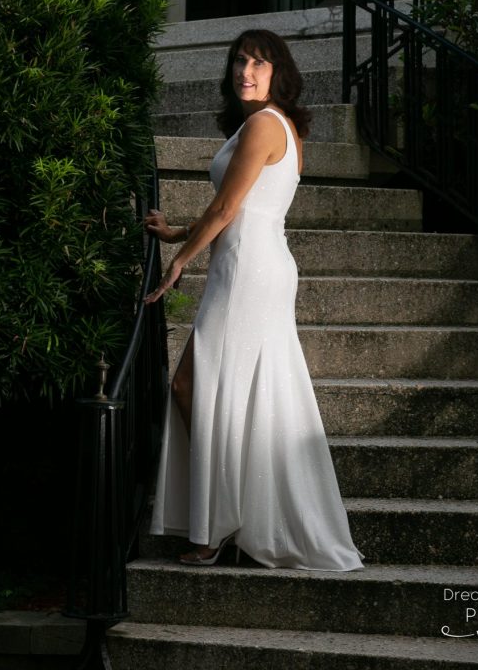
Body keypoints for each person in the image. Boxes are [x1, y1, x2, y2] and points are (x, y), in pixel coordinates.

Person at [144, 29, 363, 572]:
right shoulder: (268, 125)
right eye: (240, 60)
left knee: (193, 385)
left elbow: (226, 210)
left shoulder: (266, 124)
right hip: (250, 262)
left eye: (259, 63)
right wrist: (175, 235)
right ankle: (230, 515)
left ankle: (218, 525)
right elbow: (233, 208)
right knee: (218, 390)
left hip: (248, 268)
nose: (246, 71)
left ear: (278, 73)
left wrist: (180, 261)